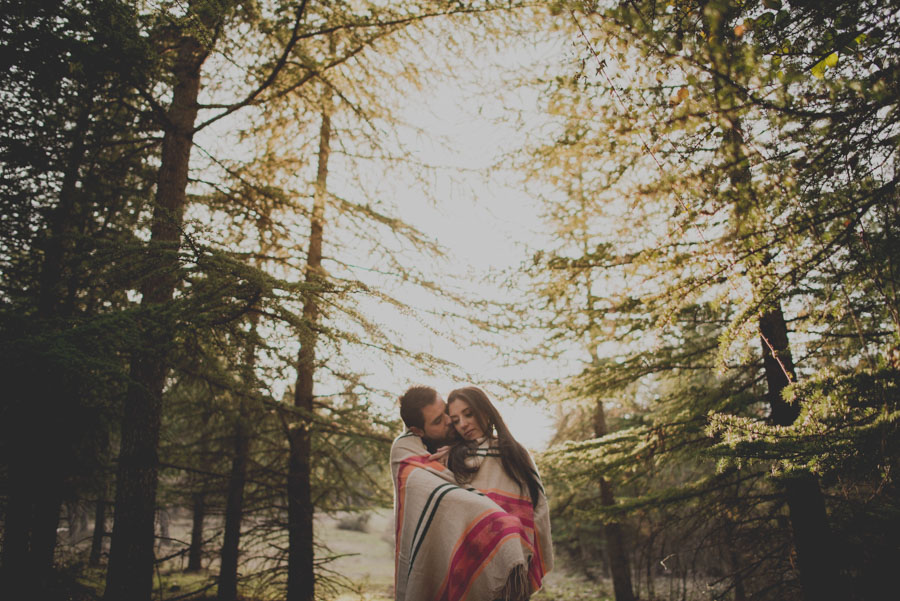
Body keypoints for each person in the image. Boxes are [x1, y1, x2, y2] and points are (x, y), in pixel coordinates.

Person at [390, 385, 552, 601]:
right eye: (453, 419)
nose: (458, 423)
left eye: (467, 414)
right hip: (466, 565)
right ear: (418, 430)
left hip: (514, 569)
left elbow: (537, 507)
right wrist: (503, 525)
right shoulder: (443, 459)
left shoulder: (516, 453)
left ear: (484, 410)